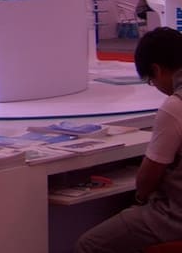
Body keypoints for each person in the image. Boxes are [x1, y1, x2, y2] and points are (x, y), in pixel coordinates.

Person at [75, 27, 182, 252]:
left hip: (175, 218)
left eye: (151, 81)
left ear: (157, 70)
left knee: (89, 245)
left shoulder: (174, 108)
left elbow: (147, 180)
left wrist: (140, 199)